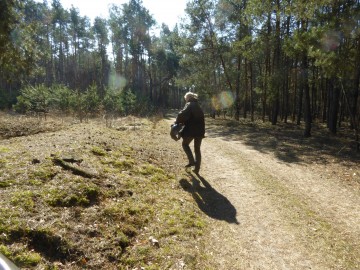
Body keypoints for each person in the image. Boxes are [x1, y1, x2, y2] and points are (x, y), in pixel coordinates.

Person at [175, 91, 205, 174]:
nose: (185, 100)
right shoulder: (198, 105)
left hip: (191, 130)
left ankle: (191, 161)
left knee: (185, 144)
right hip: (200, 130)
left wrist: (176, 122)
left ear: (188, 98)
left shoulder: (189, 104)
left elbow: (182, 115)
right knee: (197, 149)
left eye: (185, 99)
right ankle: (197, 169)